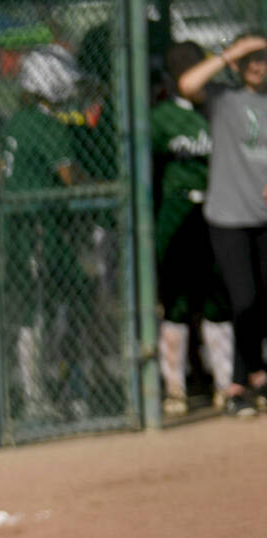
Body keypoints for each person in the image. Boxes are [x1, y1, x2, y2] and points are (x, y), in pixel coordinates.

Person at [0, 44, 93, 421]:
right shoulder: (46, 124)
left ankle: (41, 393)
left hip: (23, 230)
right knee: (48, 310)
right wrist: (101, 184)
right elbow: (70, 178)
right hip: (41, 233)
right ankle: (51, 395)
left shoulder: (17, 120)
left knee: (38, 311)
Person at [178, 33, 267, 417]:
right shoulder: (223, 98)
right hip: (228, 216)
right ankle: (237, 383)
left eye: (263, 58)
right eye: (251, 59)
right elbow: (187, 84)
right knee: (244, 300)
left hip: (263, 216)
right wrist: (230, 53)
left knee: (263, 300)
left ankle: (256, 379)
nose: (257, 66)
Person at [151, 41, 234, 415]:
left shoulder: (219, 109)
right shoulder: (161, 117)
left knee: (219, 296)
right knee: (177, 301)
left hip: (218, 206)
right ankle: (175, 390)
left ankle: (225, 384)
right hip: (177, 208)